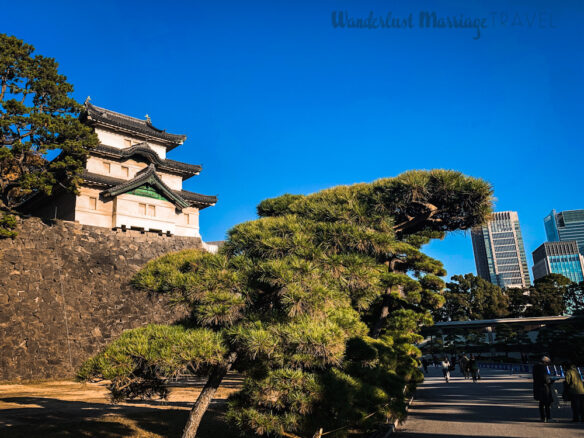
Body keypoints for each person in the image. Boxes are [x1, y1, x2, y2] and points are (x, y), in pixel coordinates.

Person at [533, 356, 553, 422]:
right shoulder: (542, 368)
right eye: (547, 363)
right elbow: (546, 379)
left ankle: (542, 417)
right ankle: (548, 417)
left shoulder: (535, 367)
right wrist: (551, 380)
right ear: (544, 362)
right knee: (547, 403)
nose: (547, 364)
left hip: (537, 386)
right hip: (544, 387)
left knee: (541, 403)